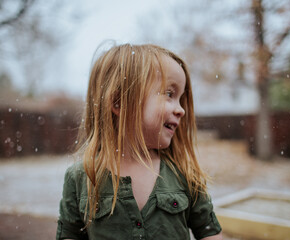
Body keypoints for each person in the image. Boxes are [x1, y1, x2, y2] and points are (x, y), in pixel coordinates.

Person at [56, 43, 223, 240]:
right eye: (169, 94)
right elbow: (69, 234)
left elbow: (209, 232)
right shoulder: (81, 177)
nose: (181, 109)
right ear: (119, 102)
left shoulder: (185, 173)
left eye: (180, 99)